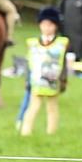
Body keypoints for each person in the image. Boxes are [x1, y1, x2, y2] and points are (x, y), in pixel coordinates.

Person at [20, 7, 69, 136]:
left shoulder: (61, 44)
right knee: (33, 106)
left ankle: (51, 132)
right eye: (44, 24)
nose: (47, 28)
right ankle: (26, 131)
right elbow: (29, 64)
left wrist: (63, 80)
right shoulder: (33, 44)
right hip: (36, 82)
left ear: (56, 26)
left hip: (53, 82)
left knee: (52, 108)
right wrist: (27, 80)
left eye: (50, 25)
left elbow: (63, 64)